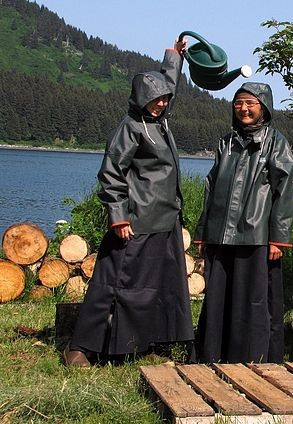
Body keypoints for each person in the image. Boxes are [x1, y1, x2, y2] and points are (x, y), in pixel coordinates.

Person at [63, 39, 194, 367]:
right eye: (154, 99)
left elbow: (167, 85)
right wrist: (118, 216)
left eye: (164, 99)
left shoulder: (158, 121)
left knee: (156, 286)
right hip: (135, 221)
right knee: (111, 284)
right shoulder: (131, 127)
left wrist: (174, 56)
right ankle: (81, 348)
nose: (160, 104)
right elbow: (111, 173)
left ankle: (147, 342)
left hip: (165, 220)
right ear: (140, 98)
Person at [193, 82, 293, 364]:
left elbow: (285, 192)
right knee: (218, 297)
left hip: (256, 234)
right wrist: (203, 232)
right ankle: (213, 354)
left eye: (250, 103)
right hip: (220, 234)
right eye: (238, 103)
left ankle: (251, 357)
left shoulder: (276, 143)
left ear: (264, 108)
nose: (244, 109)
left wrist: (278, 238)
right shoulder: (226, 142)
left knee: (253, 300)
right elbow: (211, 187)